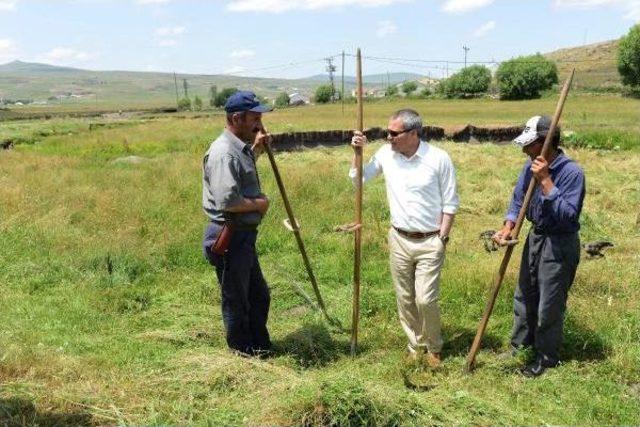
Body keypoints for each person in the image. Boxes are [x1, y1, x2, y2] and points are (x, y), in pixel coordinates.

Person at [350, 109, 459, 368]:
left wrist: (442, 238)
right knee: (405, 297)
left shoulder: (439, 159)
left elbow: (450, 203)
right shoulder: (386, 155)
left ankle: (434, 347)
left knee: (425, 298)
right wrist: (357, 153)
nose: (388, 137)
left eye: (393, 133)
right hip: (399, 239)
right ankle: (415, 345)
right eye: (387, 132)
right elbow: (358, 180)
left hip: (431, 241)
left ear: (413, 133)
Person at [493, 115, 585, 377]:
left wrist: (546, 181)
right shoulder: (529, 166)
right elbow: (518, 200)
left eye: (530, 144)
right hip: (536, 237)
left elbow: (568, 215)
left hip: (559, 243)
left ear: (545, 143)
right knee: (525, 295)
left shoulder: (571, 172)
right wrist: (509, 224)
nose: (524, 149)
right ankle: (520, 345)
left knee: (549, 304)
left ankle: (546, 358)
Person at [201, 90, 273, 357]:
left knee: (258, 296)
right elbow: (228, 200)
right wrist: (259, 204)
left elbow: (238, 173)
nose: (259, 122)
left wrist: (256, 151)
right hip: (230, 235)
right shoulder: (224, 153)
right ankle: (243, 353)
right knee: (237, 299)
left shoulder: (238, 148)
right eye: (254, 117)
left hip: (243, 236)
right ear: (236, 118)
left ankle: (259, 346)